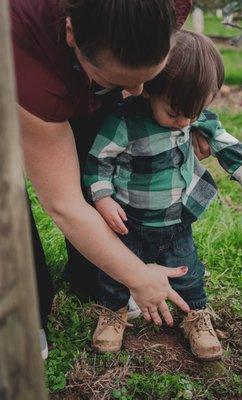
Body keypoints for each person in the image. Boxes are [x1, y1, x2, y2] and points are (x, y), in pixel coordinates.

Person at [12, 0, 216, 359]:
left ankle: (95, 276)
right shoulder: (28, 57)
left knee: (97, 155)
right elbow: (63, 204)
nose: (138, 93)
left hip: (83, 65)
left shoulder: (170, 8)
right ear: (72, 34)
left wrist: (190, 120)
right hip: (23, 63)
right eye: (120, 79)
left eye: (147, 77)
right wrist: (137, 275)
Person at [84, 31, 242, 360]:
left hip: (177, 219)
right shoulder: (125, 122)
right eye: (174, 113)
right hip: (130, 221)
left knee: (189, 274)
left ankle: (196, 316)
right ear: (152, 88)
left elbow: (224, 141)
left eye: (192, 115)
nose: (183, 122)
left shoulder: (192, 113)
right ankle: (114, 312)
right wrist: (102, 198)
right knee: (114, 274)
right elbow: (99, 161)